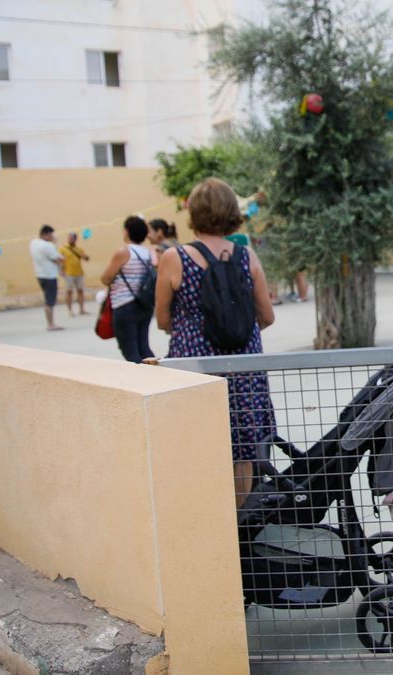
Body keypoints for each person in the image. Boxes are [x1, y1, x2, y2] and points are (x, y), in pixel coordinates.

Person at [156, 178, 276, 507]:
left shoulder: (174, 258)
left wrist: (191, 331)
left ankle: (205, 523)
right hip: (243, 367)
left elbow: (163, 319)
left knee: (196, 443)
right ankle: (237, 528)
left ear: (193, 213)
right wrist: (238, 332)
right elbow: (266, 314)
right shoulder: (245, 256)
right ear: (231, 213)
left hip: (193, 366)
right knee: (242, 449)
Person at [100, 216, 156, 363]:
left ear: (127, 231)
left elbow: (106, 278)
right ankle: (157, 377)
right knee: (144, 348)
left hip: (125, 305)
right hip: (144, 304)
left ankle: (144, 382)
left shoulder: (124, 253)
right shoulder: (148, 253)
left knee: (130, 352)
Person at [29, 225, 65, 331]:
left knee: (48, 299)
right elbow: (59, 258)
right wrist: (56, 243)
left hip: (40, 274)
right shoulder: (48, 246)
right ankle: (50, 323)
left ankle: (50, 322)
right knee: (50, 301)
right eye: (51, 235)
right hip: (49, 275)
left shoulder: (33, 243)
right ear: (47, 234)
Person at [60, 232, 90, 316]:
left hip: (79, 273)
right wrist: (62, 271)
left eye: (71, 238)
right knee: (69, 292)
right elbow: (60, 261)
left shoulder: (79, 249)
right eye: (69, 238)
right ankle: (70, 310)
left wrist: (85, 257)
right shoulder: (63, 249)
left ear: (75, 239)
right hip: (68, 273)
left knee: (80, 291)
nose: (70, 239)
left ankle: (82, 309)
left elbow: (86, 258)